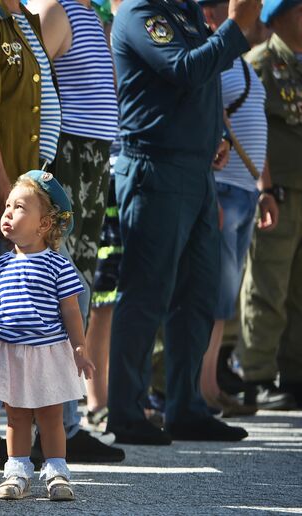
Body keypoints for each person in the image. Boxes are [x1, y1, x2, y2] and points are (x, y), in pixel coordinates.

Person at [0, 0, 123, 469]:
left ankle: (61, 428)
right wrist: (8, 202)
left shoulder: (20, 19)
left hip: (32, 190)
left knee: (48, 305)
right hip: (6, 194)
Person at [106, 0, 259, 444]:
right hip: (155, 169)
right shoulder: (141, 12)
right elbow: (187, 69)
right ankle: (126, 412)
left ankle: (186, 407)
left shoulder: (186, 12)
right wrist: (235, 26)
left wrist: (216, 134)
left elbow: (200, 83)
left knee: (196, 295)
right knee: (146, 292)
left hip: (194, 172)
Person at [0, 171, 93, 501]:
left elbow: (70, 309)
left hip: (48, 351)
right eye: (7, 206)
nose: (8, 212)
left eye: (19, 207)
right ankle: (17, 470)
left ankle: (56, 471)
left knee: (51, 414)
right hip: (9, 350)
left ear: (44, 224)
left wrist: (79, 345)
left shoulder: (58, 266)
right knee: (15, 415)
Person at [29, 0, 119, 430]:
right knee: (55, 286)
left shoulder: (93, 17)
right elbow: (31, 89)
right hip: (67, 158)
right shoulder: (54, 11)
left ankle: (66, 419)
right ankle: (46, 421)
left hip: (95, 159)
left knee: (77, 285)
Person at [197, 0, 271, 416]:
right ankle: (203, 389)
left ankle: (209, 386)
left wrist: (266, 188)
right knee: (212, 294)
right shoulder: (216, 57)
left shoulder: (236, 58)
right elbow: (209, 118)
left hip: (244, 190)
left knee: (225, 297)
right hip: (223, 187)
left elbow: (253, 121)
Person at [240, 0, 302, 409]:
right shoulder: (259, 63)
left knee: (298, 288)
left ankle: (293, 373)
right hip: (278, 191)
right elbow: (249, 125)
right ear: (276, 16)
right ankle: (257, 376)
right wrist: (264, 187)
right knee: (267, 284)